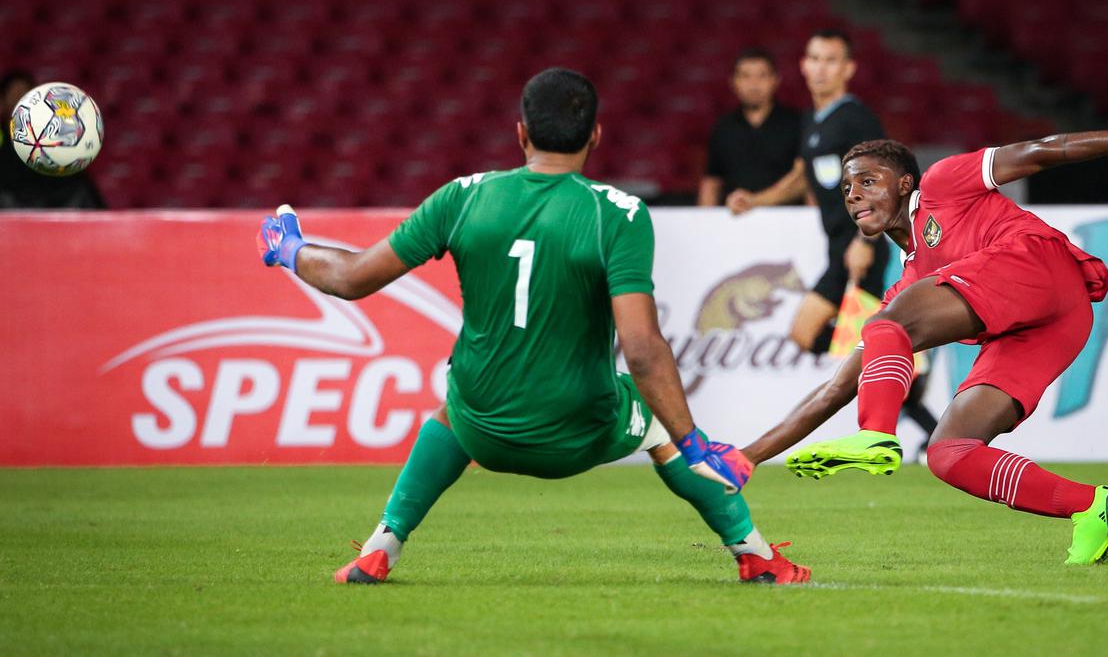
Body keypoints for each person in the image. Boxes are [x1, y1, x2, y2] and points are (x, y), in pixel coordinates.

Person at [257, 68, 808, 584]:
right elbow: (641, 350)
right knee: (660, 427)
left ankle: (381, 545)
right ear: (595, 135)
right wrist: (694, 443)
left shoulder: (462, 197)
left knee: (454, 406)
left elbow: (352, 277)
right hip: (576, 435)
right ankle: (756, 556)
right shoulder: (617, 213)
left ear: (520, 132)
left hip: (483, 430)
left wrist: (292, 250)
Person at [739, 104, 1108, 565]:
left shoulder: (941, 185)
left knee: (886, 326)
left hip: (1038, 265)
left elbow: (1038, 151)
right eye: (846, 187)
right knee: (949, 453)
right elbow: (838, 387)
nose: (853, 195)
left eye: (866, 181)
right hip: (1053, 324)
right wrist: (750, 457)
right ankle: (1092, 505)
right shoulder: (906, 286)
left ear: (904, 184)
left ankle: (875, 436)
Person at [726, 31, 891, 356]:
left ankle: (903, 377)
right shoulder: (812, 121)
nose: (821, 69)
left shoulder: (856, 119)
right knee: (855, 345)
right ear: (803, 65)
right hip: (839, 249)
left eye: (831, 61)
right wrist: (754, 200)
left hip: (861, 252)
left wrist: (866, 241)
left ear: (848, 69)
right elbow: (803, 178)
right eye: (815, 59)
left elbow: (883, 183)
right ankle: (908, 383)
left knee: (809, 331)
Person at [697, 48, 801, 207]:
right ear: (733, 82)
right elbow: (711, 183)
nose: (754, 84)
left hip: (785, 222)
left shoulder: (797, 124)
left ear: (775, 80)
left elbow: (805, 181)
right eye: (745, 76)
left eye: (762, 75)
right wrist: (703, 224)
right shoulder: (723, 129)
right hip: (734, 222)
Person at [0, 69, 105, 209]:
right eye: (16, 95)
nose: (22, 102)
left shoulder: (55, 138)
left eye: (27, 96)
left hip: (57, 211)